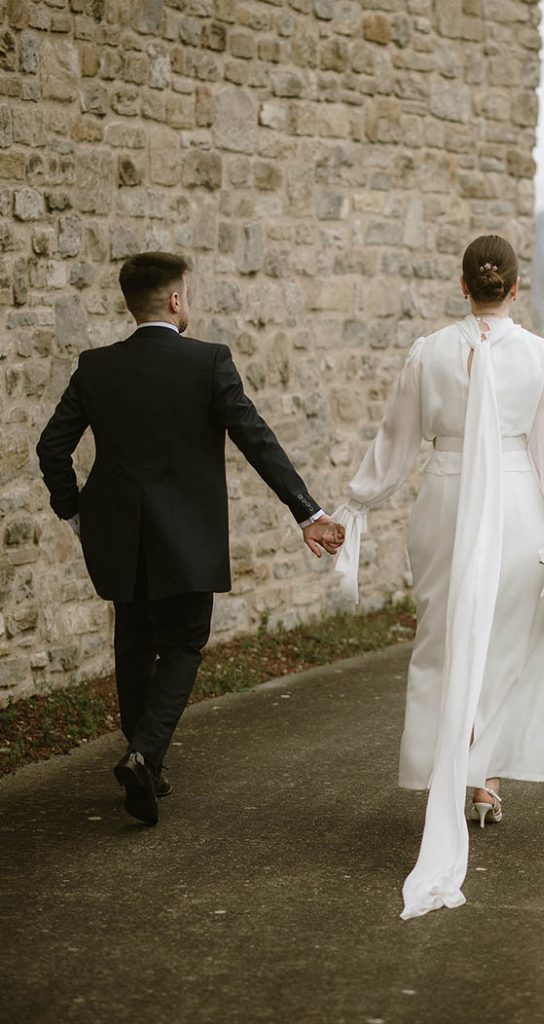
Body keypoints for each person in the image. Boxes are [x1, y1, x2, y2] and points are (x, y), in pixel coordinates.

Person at [333, 235, 544, 919]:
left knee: (444, 641)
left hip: (446, 504)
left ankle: (447, 775)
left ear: (463, 285)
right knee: (509, 646)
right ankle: (482, 779)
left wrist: (355, 505)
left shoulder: (428, 354)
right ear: (515, 288)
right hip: (520, 509)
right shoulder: (543, 360)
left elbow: (394, 442)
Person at [37, 252, 344, 827]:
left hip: (118, 536)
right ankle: (143, 755)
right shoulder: (208, 362)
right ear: (176, 301)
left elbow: (51, 448)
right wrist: (307, 512)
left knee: (132, 641)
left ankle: (145, 763)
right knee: (183, 641)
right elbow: (257, 439)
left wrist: (75, 513)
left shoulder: (95, 367)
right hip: (186, 539)